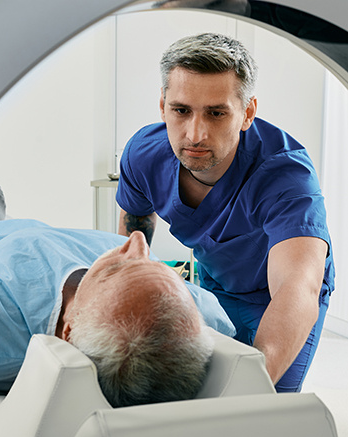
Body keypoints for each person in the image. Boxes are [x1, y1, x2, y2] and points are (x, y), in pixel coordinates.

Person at [116, 32, 334, 393]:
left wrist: (249, 390)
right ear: (162, 106)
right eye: (181, 110)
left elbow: (297, 286)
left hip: (278, 297)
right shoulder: (144, 154)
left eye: (216, 113)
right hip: (217, 283)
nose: (195, 134)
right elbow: (133, 231)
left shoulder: (286, 176)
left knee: (259, 402)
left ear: (247, 113)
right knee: (190, 386)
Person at [0, 182, 235, 408]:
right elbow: (221, 322)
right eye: (152, 265)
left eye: (116, 270)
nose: (138, 241)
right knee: (14, 223)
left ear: (68, 331)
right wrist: (131, 270)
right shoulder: (200, 315)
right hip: (55, 237)